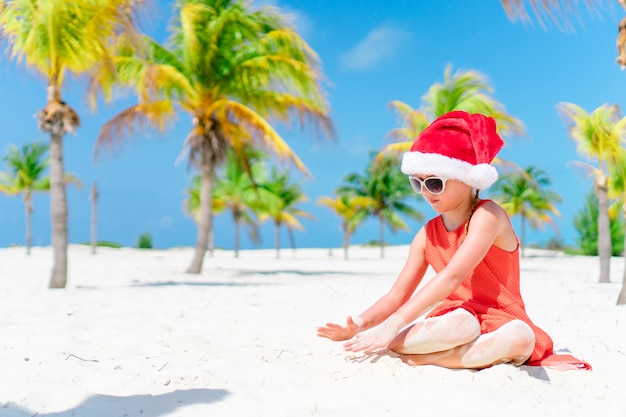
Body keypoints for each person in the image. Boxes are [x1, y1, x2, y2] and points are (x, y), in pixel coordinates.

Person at [317, 111, 591, 370]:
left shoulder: (487, 215)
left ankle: (431, 358)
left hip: (501, 318)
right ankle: (448, 353)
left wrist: (394, 325)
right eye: (417, 183)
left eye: (435, 182)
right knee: (462, 325)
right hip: (455, 320)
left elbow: (454, 275)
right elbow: (397, 294)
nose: (425, 192)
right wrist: (361, 324)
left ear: (466, 177)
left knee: (522, 336)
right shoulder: (426, 235)